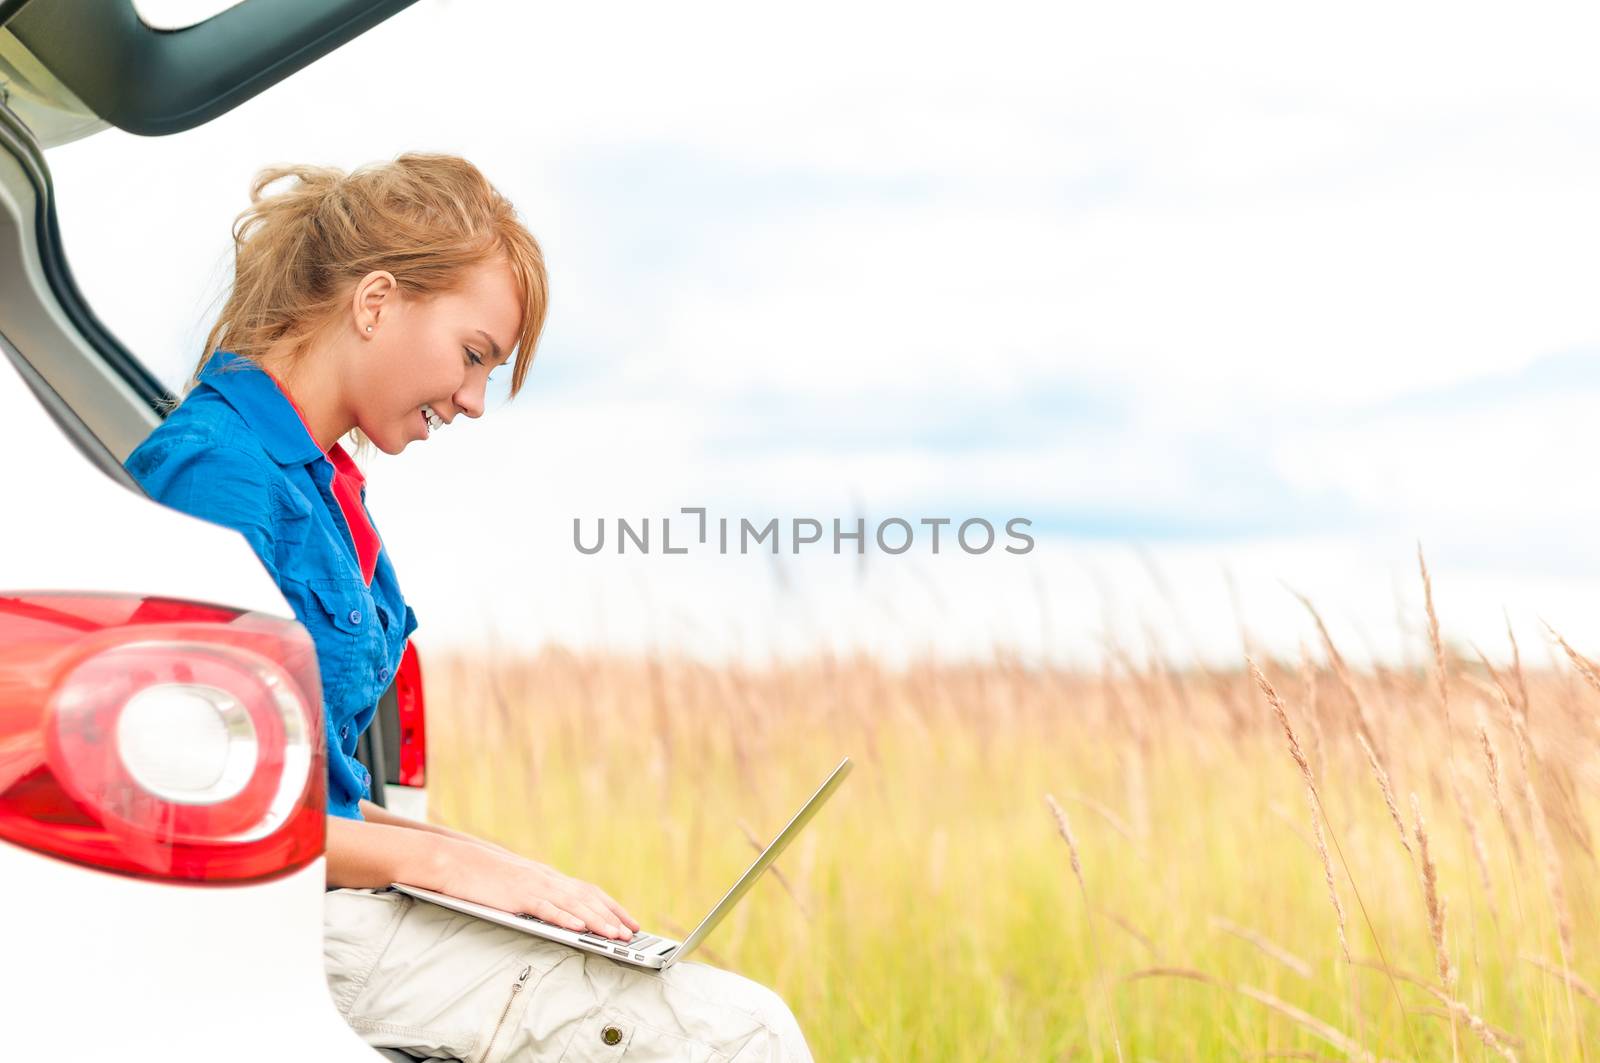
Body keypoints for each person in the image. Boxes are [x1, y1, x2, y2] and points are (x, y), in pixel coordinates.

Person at [124, 153, 813, 1063]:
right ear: (375, 303)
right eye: (475, 355)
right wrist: (449, 865)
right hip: (250, 933)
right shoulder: (217, 475)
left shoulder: (322, 487)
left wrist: (497, 868)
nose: (475, 400)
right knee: (735, 1036)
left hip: (314, 907)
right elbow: (178, 805)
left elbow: (300, 791)